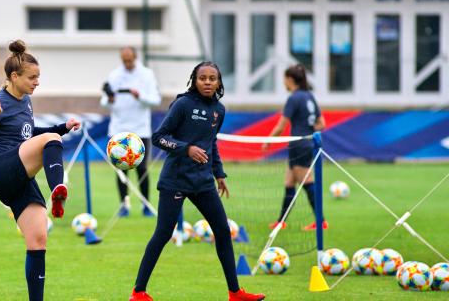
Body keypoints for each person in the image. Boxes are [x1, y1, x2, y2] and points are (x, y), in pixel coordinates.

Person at [129, 62, 265, 301]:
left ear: (219, 82)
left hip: (202, 182)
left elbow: (211, 142)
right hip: (176, 180)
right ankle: (138, 292)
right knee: (163, 233)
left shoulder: (219, 110)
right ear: (195, 80)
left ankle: (235, 293)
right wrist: (186, 149)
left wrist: (219, 173)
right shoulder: (183, 104)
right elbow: (160, 137)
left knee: (223, 231)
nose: (208, 82)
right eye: (203, 78)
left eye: (213, 78)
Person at [0, 40, 80, 301]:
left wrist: (62, 126)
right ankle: (58, 188)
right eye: (32, 77)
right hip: (1, 168)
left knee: (38, 240)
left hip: (19, 176)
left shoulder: (26, 101)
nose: (37, 82)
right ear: (14, 76)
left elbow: (30, 135)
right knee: (52, 141)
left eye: (38, 77)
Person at [265, 64, 326, 231]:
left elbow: (281, 125)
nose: (283, 82)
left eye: (284, 79)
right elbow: (322, 123)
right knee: (289, 182)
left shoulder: (294, 98)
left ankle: (321, 221)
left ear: (290, 79)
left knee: (307, 182)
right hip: (306, 143)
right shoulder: (309, 96)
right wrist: (309, 132)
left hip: (299, 145)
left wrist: (268, 141)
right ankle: (281, 222)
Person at [101, 46, 161, 217]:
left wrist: (139, 96)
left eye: (130, 60)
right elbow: (104, 102)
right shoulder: (114, 75)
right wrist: (110, 98)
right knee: (121, 169)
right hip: (118, 129)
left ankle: (146, 204)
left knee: (141, 168)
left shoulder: (147, 74)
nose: (127, 63)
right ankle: (124, 205)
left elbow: (156, 100)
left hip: (140, 129)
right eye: (124, 60)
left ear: (135, 57)